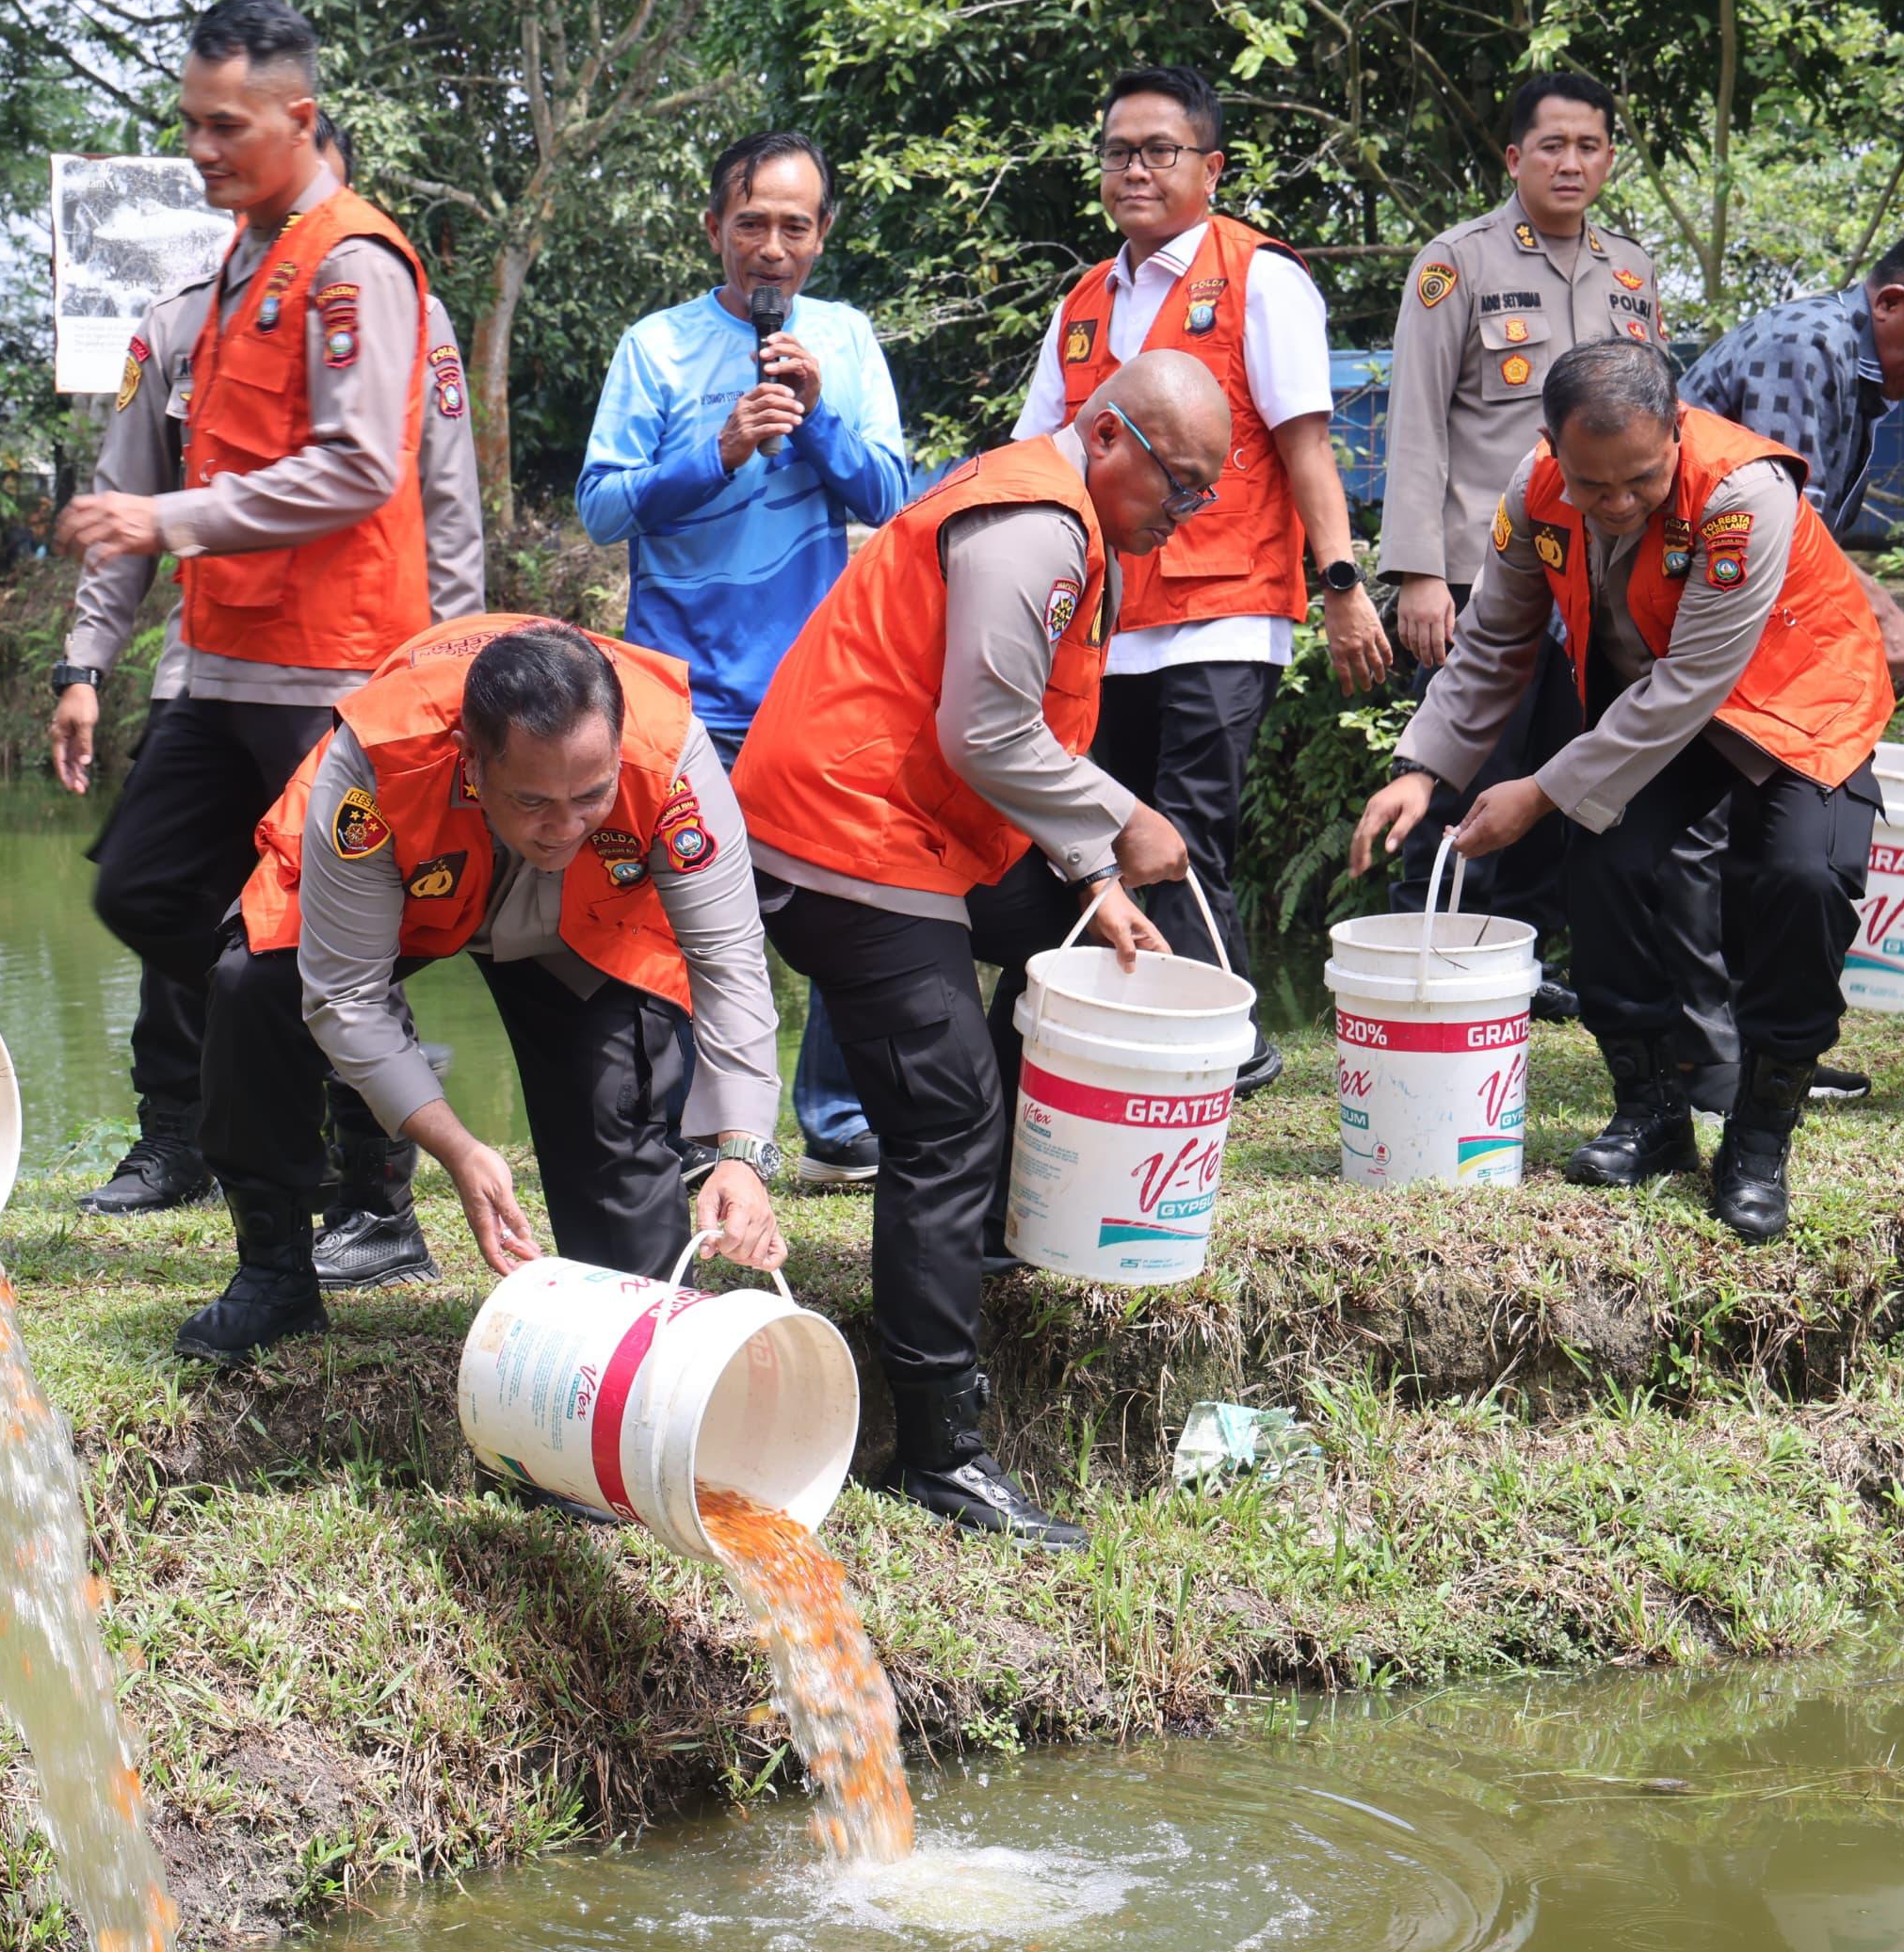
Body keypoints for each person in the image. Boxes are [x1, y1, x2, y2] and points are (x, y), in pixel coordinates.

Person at [732, 349, 1231, 1551]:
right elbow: (987, 726)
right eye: (1180, 484)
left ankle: (986, 1241)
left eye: (1206, 494)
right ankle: (939, 1449)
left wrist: (1095, 882)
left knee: (1050, 931)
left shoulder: (1071, 523)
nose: (1187, 512)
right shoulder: (1035, 523)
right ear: (1108, 438)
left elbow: (1009, 741)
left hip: (917, 833)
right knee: (945, 1121)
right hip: (845, 838)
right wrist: (1121, 821)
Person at [56, 109, 487, 1298]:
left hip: (355, 671)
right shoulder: (176, 319)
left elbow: (438, 499)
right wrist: (84, 662)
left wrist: (444, 666)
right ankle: (200, 1117)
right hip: (211, 666)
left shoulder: (392, 304)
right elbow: (124, 499)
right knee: (173, 900)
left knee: (337, 920)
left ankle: (375, 1198)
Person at [1347, 341, 1896, 1242]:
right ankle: (1651, 1110)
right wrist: (1424, 773)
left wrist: (1541, 789)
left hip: (1799, 695)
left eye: (1638, 481)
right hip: (1661, 705)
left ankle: (1760, 1133)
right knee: (1605, 859)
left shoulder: (1742, 495)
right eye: (1592, 485)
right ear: (1550, 446)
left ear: (1677, 431)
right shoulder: (1534, 492)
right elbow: (1493, 641)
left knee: (1799, 879)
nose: (1614, 506)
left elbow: (1692, 683)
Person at [176, 617, 786, 1365]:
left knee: (617, 1147)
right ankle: (275, 1274)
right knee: (254, 984)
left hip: (584, 918)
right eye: (535, 801)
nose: (565, 826)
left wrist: (743, 1153)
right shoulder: (375, 762)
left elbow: (728, 959)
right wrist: (457, 1147)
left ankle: (640, 1354)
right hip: (411, 884)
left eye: (591, 795)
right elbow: (346, 994)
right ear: (470, 760)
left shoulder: (672, 754)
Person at [1013, 66, 1390, 1094]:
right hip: (1109, 617)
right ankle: (1150, 1023)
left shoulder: (1258, 276)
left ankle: (1228, 1041)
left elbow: (1306, 446)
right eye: (1117, 152)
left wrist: (1342, 581)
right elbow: (1039, 454)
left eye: (1157, 151)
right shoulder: (1083, 300)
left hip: (1224, 611)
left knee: (1186, 824)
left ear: (1209, 168)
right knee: (1107, 820)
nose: (1133, 169)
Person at [577, 128, 923, 1190]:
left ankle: (835, 1116)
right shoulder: (656, 347)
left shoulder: (846, 340)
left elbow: (894, 500)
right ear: (712, 228)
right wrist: (718, 449)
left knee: (843, 899)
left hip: (813, 686)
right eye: (749, 223)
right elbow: (600, 508)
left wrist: (813, 425)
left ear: (820, 235)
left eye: (792, 225)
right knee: (673, 911)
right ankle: (693, 1133)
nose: (769, 247)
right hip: (675, 686)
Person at [1678, 218, 1904, 1098]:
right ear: (1893, 302)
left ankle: (1768, 1042)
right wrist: (1884, 609)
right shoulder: (1808, 348)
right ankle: (1714, 1060)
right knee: (1708, 848)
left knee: (1778, 852)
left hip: (1740, 632)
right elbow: (1787, 523)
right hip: (1686, 638)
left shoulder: (1846, 362)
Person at [1376, 72, 1670, 1008]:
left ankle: (1525, 959)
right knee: (1468, 766)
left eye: (1588, 146)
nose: (1570, 163)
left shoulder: (1631, 272)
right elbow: (1415, 422)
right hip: (1481, 572)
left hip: (1598, 577)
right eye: (1550, 145)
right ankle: (1428, 950)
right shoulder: (1455, 263)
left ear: (1609, 158)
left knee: (1560, 767)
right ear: (1513, 158)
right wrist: (1418, 575)